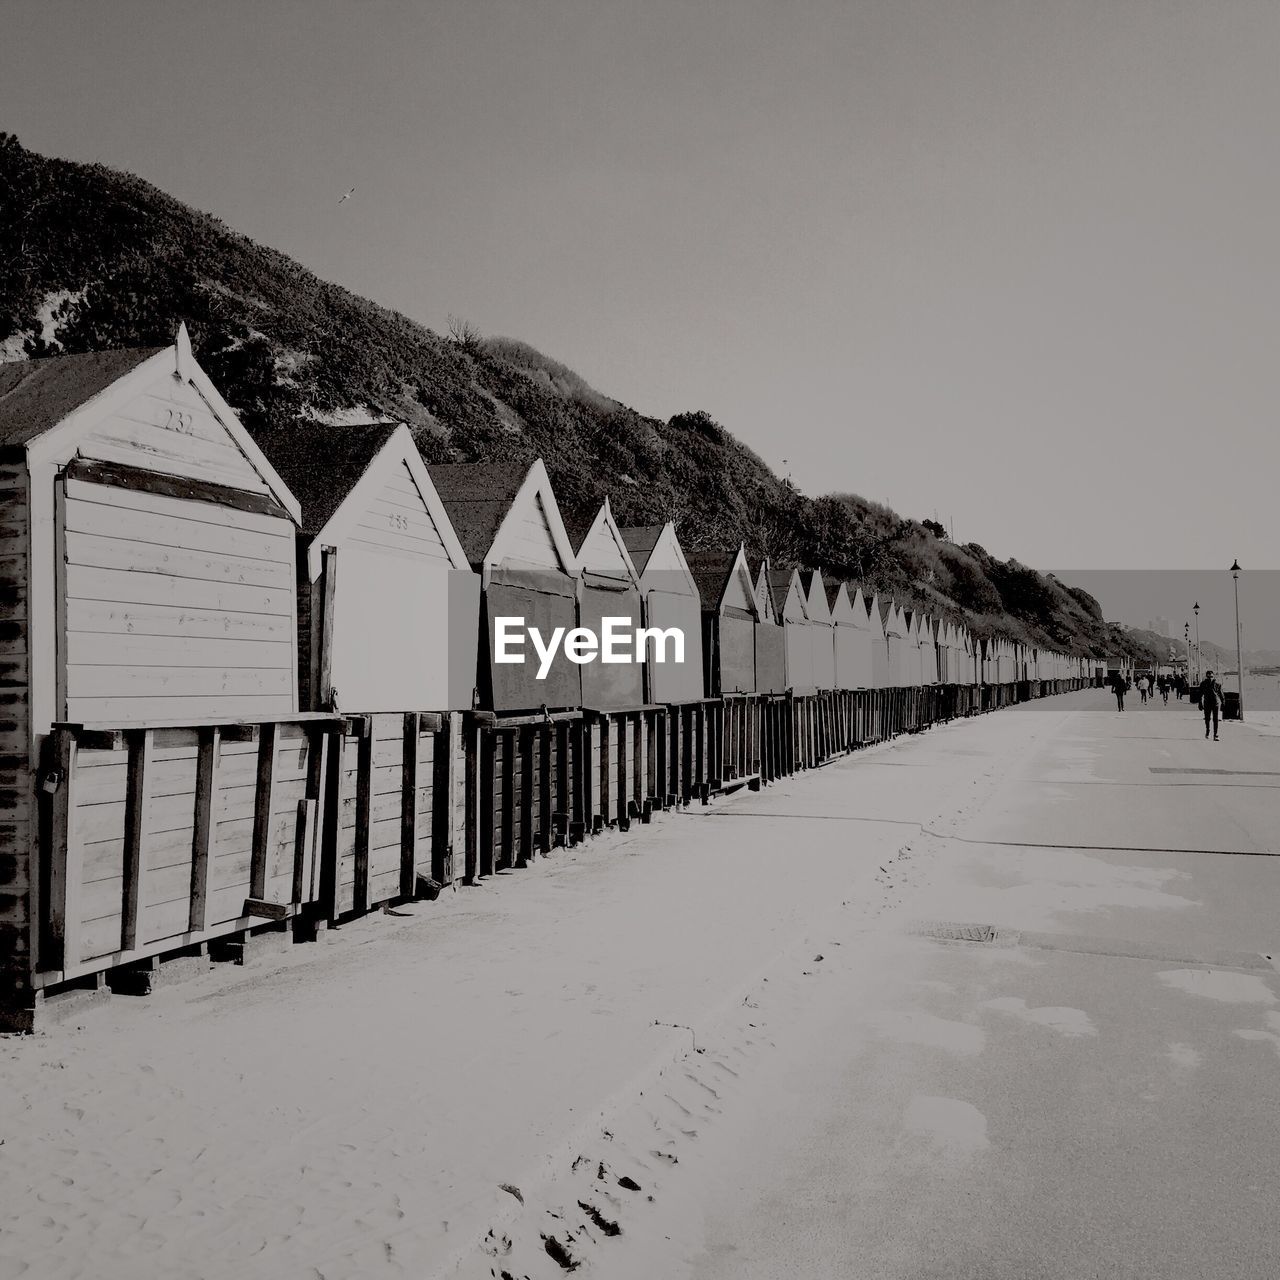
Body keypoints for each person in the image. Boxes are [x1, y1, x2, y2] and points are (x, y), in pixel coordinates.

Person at [1199, 669, 1223, 740]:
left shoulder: (1217, 684)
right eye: (1209, 677)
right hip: (1207, 703)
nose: (1210, 678)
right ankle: (1208, 732)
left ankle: (1215, 734)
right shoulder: (1203, 684)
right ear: (1206, 677)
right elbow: (1200, 694)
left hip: (1215, 703)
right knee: (1207, 719)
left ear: (1213, 676)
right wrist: (1200, 703)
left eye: (1211, 676)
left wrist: (1223, 703)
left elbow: (1221, 694)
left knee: (1215, 719)